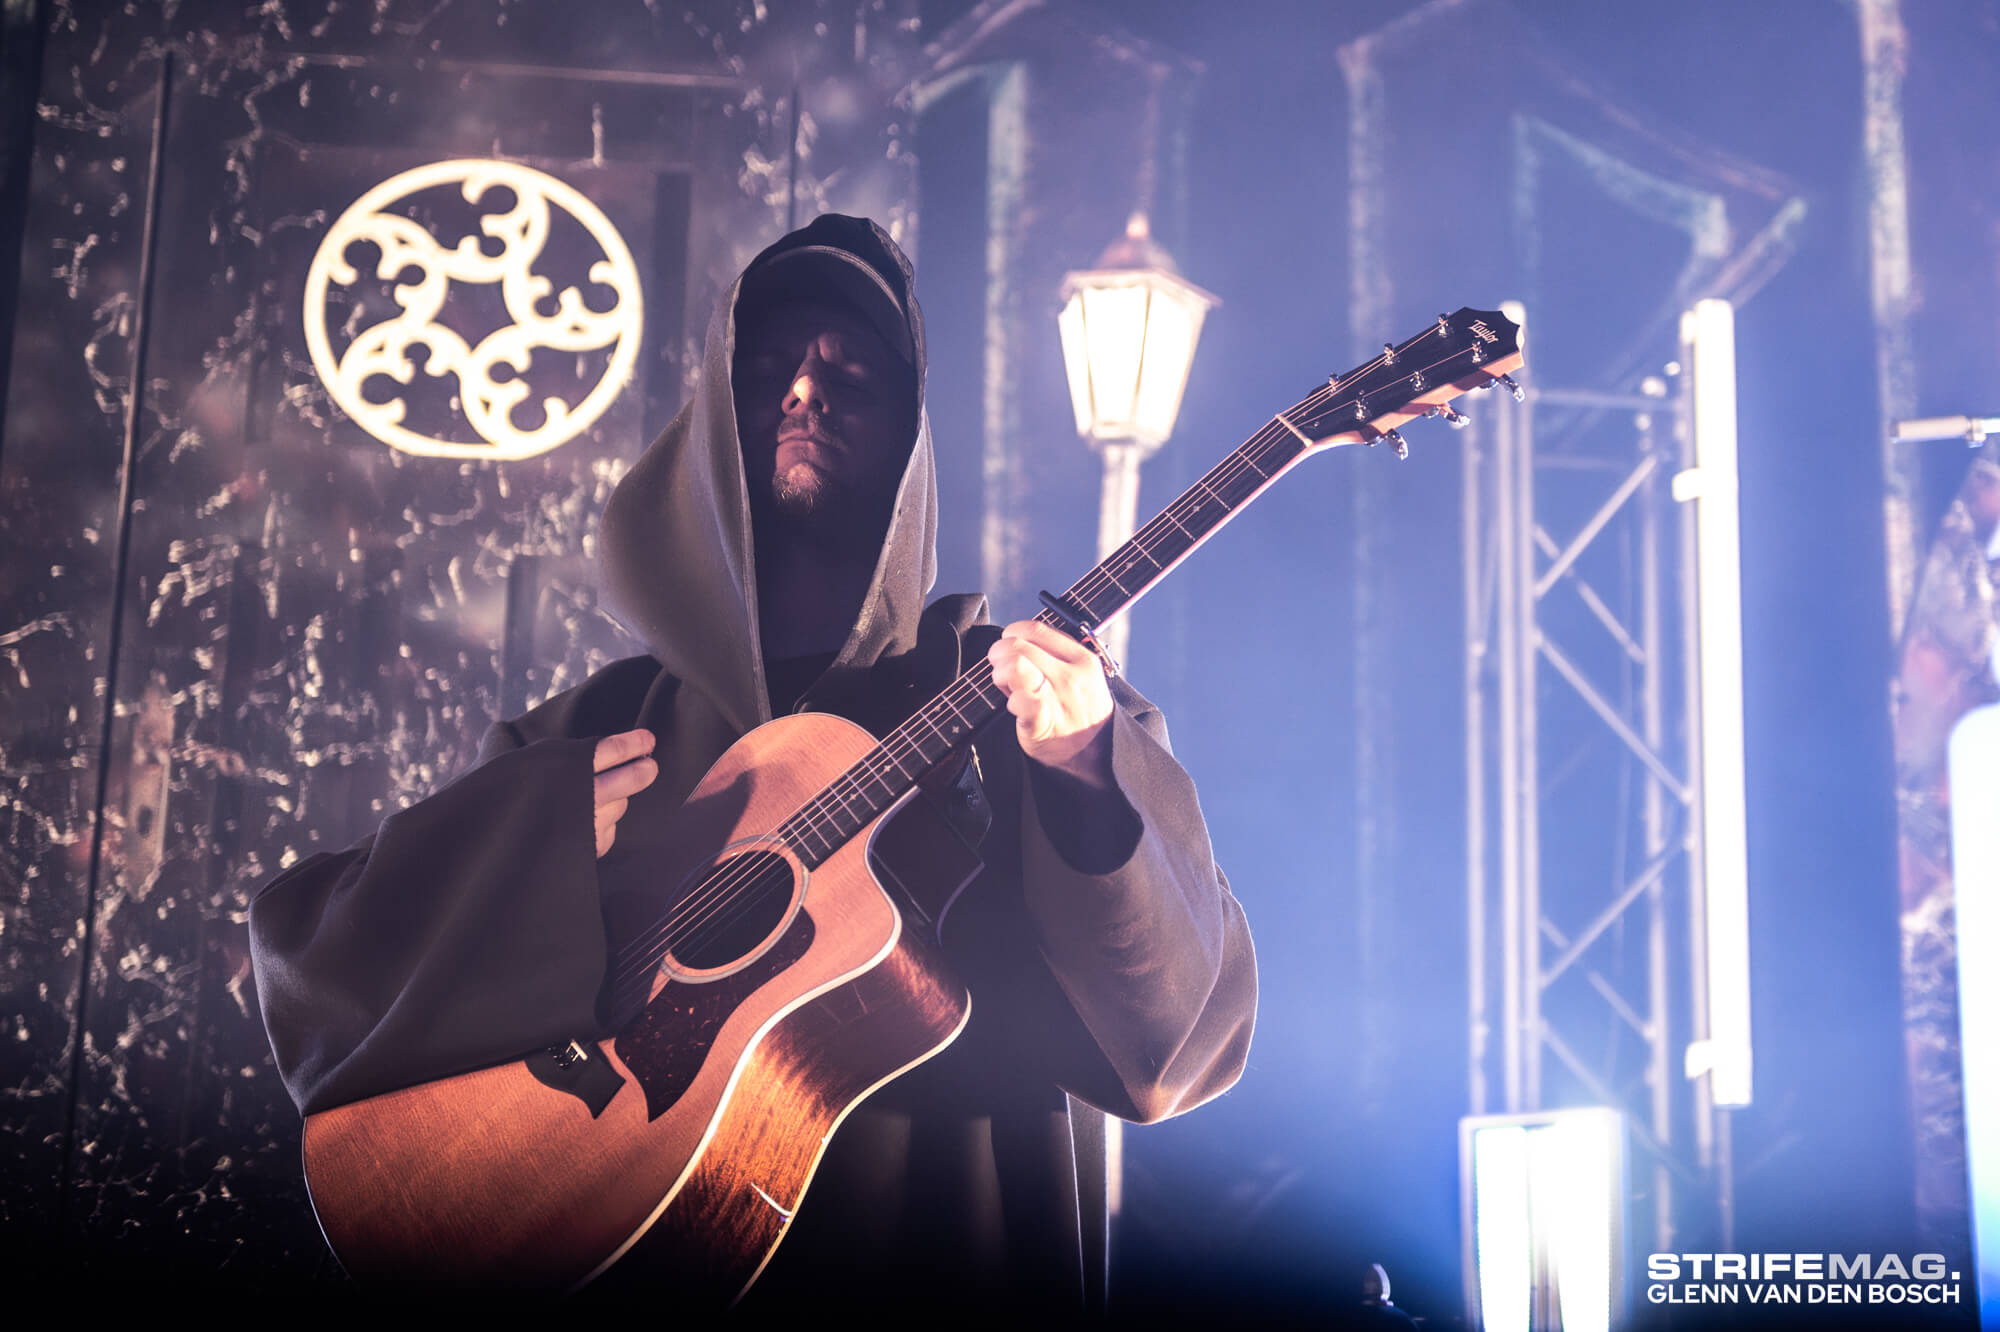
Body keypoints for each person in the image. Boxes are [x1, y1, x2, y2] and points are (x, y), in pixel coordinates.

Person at [249, 213, 1257, 1315]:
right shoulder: (595, 733)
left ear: (910, 443)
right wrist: (529, 848)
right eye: (769, 367)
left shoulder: (1023, 701)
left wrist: (1081, 770)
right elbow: (318, 983)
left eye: (852, 372)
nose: (804, 391)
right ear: (709, 436)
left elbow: (1172, 1054)